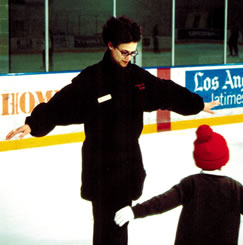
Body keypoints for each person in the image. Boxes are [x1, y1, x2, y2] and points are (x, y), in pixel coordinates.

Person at [6, 16, 219, 245]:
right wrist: (34, 123)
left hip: (128, 169)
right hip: (100, 169)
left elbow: (167, 92)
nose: (129, 57)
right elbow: (62, 104)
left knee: (119, 228)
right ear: (110, 46)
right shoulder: (92, 79)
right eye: (124, 52)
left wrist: (197, 104)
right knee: (106, 229)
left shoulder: (138, 80)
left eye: (133, 52)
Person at [115, 124, 243, 245]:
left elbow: (162, 202)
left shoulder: (191, 183)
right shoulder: (235, 188)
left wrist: (134, 211)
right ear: (224, 157)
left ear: (197, 157)